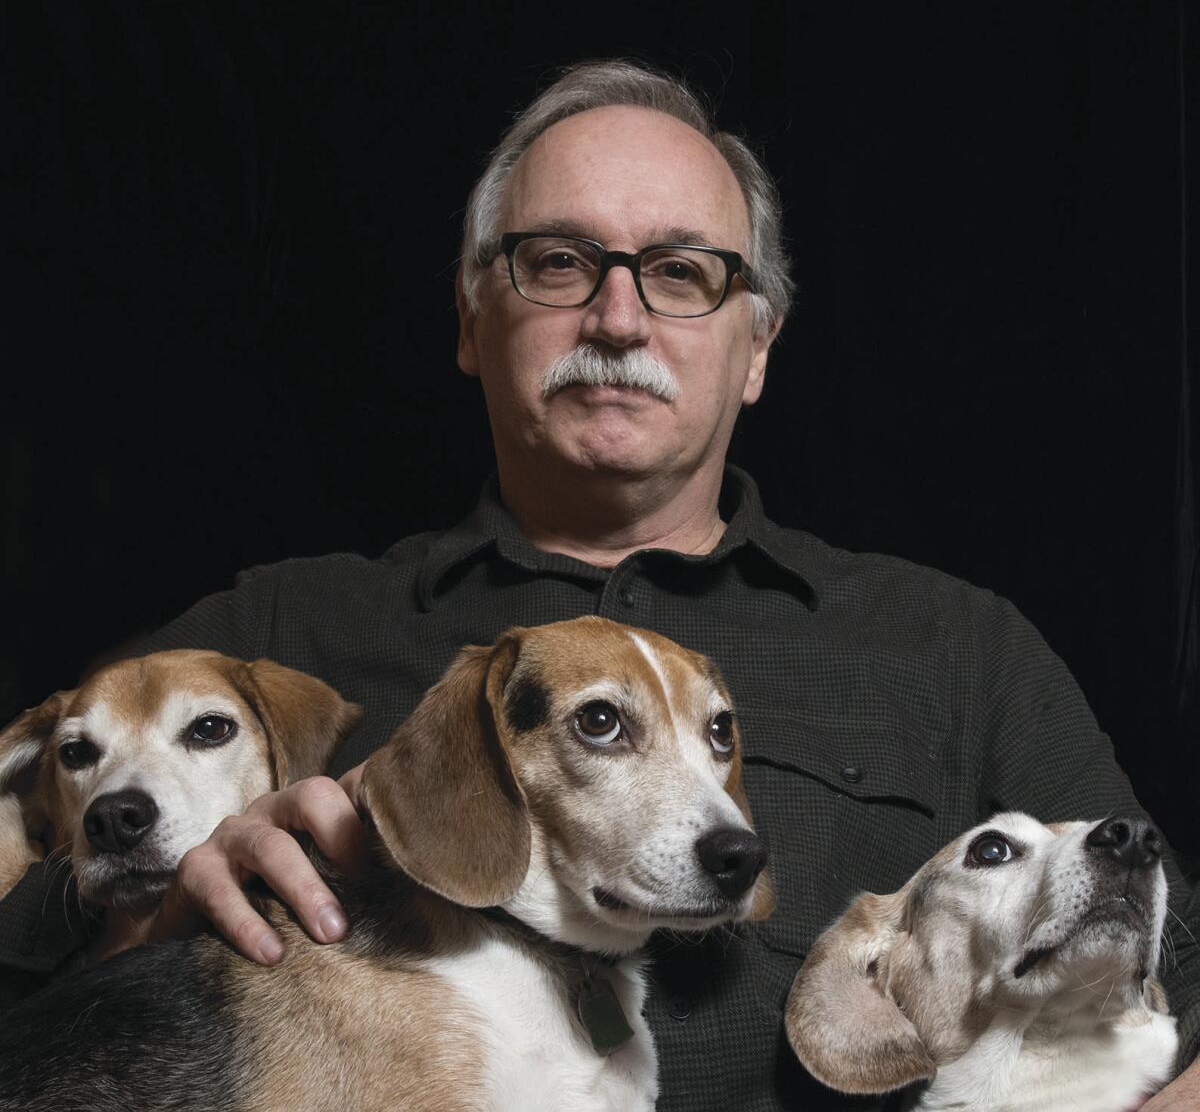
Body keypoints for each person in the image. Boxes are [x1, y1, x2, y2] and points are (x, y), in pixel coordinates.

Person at [3, 59, 1198, 1110]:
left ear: (759, 345)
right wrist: (135, 918)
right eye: (559, 261)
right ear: (474, 314)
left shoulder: (953, 646)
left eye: (682, 272)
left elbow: (1185, 986)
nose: (619, 316)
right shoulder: (272, 630)